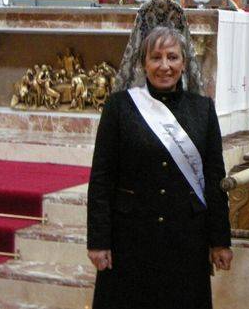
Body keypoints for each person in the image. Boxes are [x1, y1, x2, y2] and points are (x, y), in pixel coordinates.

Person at [87, 25, 232, 309]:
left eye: (173, 57)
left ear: (184, 62)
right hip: (130, 238)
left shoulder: (202, 109)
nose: (165, 66)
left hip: (186, 238)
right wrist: (98, 240)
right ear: (143, 63)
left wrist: (220, 240)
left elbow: (215, 178)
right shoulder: (120, 107)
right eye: (156, 57)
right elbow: (102, 178)